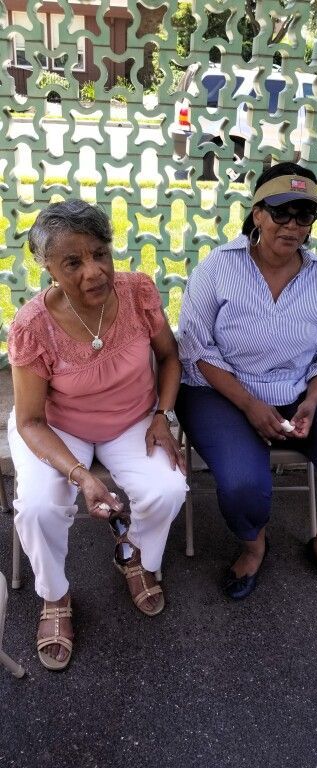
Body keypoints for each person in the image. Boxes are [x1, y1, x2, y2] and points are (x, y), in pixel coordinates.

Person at [175, 161, 317, 602]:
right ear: (257, 213)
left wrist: (313, 399)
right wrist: (250, 404)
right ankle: (254, 548)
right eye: (280, 212)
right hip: (220, 392)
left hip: (300, 389)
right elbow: (196, 349)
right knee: (243, 484)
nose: (292, 225)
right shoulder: (217, 269)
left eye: (304, 215)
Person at [7, 200, 187, 671]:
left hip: (132, 419)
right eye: (73, 261)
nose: (94, 271)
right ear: (47, 267)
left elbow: (170, 358)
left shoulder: (138, 293)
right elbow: (28, 420)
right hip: (55, 427)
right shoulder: (33, 327)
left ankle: (133, 555)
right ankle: (54, 596)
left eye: (100, 252)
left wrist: (161, 415)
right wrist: (80, 475)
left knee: (167, 488)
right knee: (41, 506)